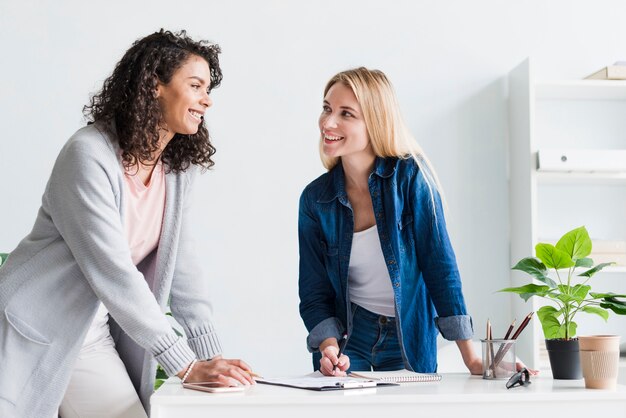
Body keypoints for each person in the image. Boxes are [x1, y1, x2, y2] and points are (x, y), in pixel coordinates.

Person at [0, 29, 255, 418]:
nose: (207, 99)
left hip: (91, 334)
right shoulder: (87, 155)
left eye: (209, 88)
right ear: (155, 86)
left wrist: (211, 358)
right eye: (195, 85)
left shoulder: (176, 170)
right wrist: (185, 365)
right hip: (31, 327)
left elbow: (184, 269)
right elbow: (113, 270)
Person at [298, 67, 534, 377]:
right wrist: (328, 348)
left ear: (376, 122)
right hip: (348, 335)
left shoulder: (411, 179)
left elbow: (440, 269)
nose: (328, 122)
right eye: (327, 108)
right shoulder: (315, 200)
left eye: (346, 114)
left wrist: (473, 359)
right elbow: (314, 291)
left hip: (407, 334)